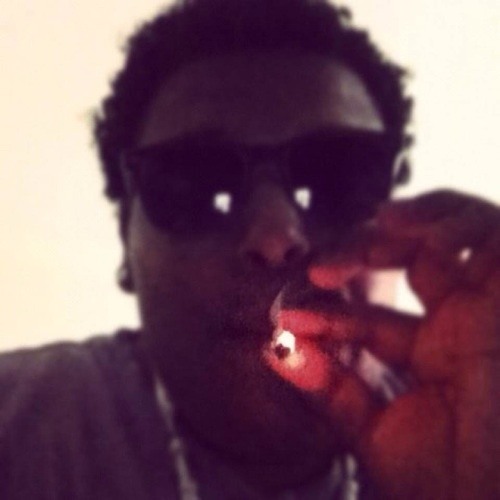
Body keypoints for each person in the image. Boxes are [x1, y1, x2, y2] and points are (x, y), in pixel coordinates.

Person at [1, 0, 499, 498]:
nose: (275, 239)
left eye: (338, 177)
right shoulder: (20, 430)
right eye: (196, 186)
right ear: (123, 241)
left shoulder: (479, 421)